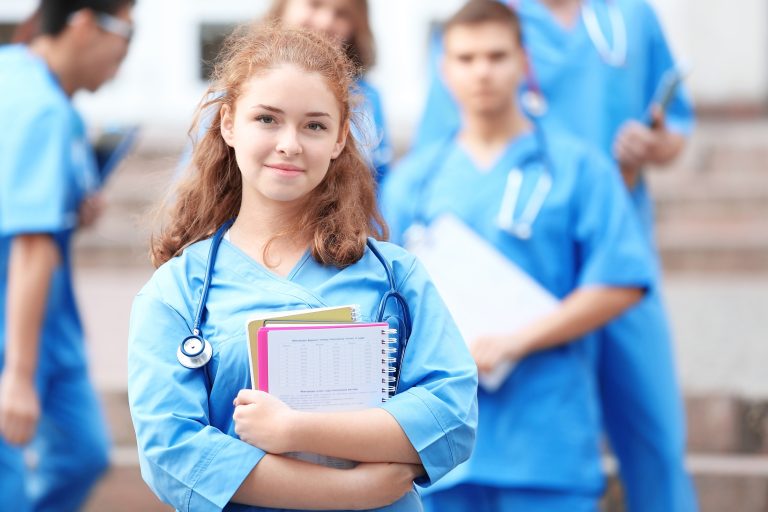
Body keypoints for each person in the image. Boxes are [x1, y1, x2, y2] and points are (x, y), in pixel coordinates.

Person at [128, 24, 477, 511]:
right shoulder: (177, 292)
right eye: (267, 119)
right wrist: (351, 492)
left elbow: (451, 416)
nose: (290, 143)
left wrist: (295, 429)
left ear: (338, 139)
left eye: (314, 125)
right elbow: (171, 452)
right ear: (229, 123)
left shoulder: (396, 277)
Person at [412, 1, 697, 510]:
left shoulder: (630, 16)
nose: (482, 71)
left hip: (598, 243)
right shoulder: (426, 174)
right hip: (510, 267)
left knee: (655, 435)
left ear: (522, 61)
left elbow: (674, 126)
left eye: (497, 58)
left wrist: (653, 146)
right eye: (469, 60)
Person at [0, 0, 135, 510]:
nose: (123, 57)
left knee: (84, 454)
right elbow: (31, 243)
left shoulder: (48, 97)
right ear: (83, 24)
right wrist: (17, 375)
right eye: (126, 34)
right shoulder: (38, 109)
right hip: (15, 324)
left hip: (51, 321)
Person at [180, 0, 391, 183]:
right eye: (314, 4)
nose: (326, 21)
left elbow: (380, 182)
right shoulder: (237, 88)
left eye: (341, 13)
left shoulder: (367, 99)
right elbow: (195, 182)